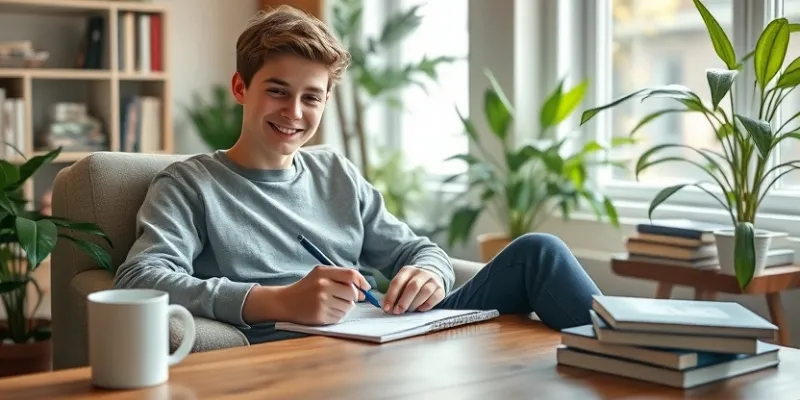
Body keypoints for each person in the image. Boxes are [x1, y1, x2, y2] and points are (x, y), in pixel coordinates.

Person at [113, 5, 601, 344]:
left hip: (384, 330)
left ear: (326, 100)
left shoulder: (334, 172)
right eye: (278, 91)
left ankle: (646, 360)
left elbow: (419, 248)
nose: (295, 112)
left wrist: (427, 273)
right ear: (241, 87)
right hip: (309, 349)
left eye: (312, 97)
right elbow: (140, 277)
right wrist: (277, 301)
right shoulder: (188, 184)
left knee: (540, 251)